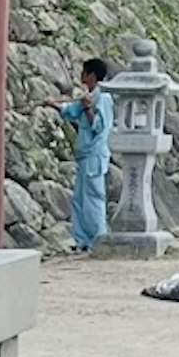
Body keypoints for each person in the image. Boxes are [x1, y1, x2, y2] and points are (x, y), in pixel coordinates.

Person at [57, 57, 114, 255]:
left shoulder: (103, 98)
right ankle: (82, 240)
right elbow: (71, 112)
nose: (81, 76)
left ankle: (99, 239)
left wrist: (89, 107)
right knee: (79, 199)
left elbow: (99, 126)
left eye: (84, 72)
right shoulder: (88, 96)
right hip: (84, 155)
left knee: (93, 198)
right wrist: (53, 105)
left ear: (91, 75)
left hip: (94, 155)